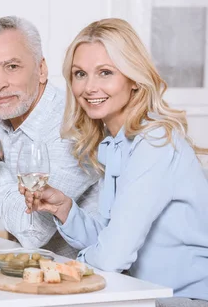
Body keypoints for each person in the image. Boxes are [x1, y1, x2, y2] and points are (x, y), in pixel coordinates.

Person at [22, 18, 208, 306]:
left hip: (186, 298)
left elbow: (113, 255)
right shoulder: (117, 143)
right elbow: (113, 236)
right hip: (146, 295)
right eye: (80, 74)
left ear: (133, 79)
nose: (89, 87)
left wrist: (68, 267)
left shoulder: (154, 142)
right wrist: (65, 210)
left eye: (105, 72)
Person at [0, 16, 99, 258]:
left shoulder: (74, 127)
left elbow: (32, 231)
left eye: (12, 67)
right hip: (22, 274)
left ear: (41, 70)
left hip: (80, 280)